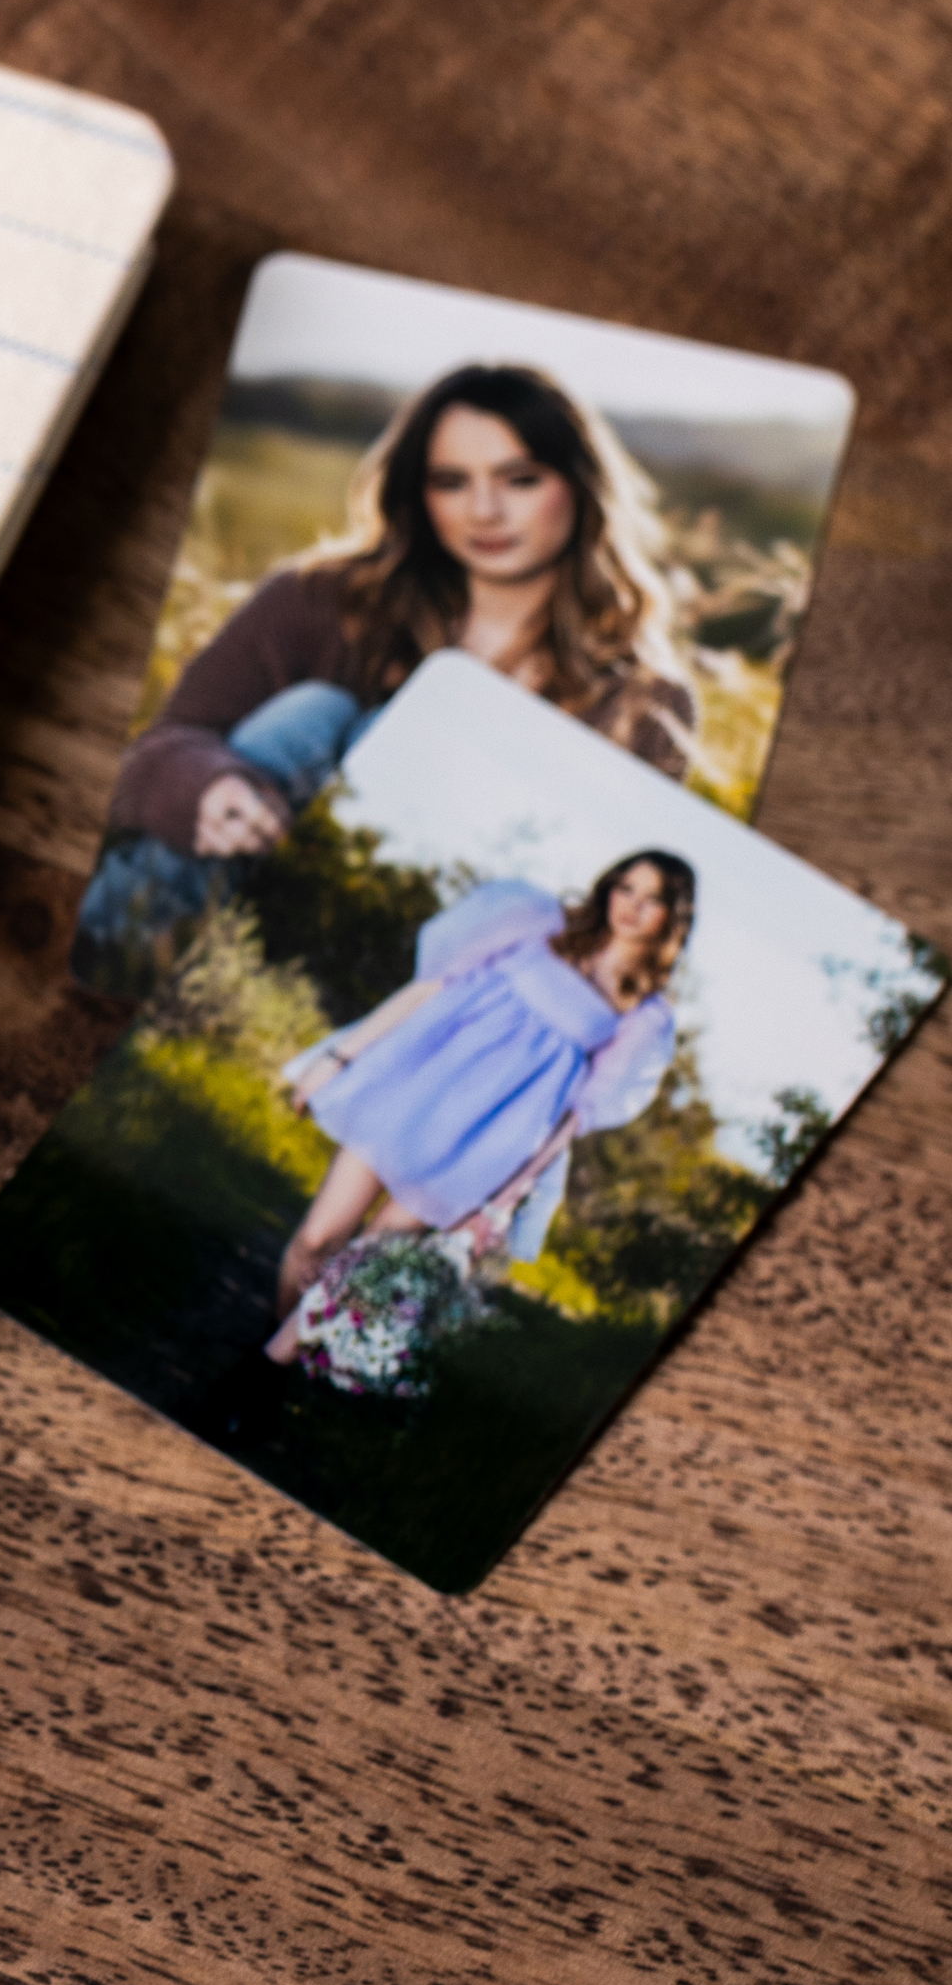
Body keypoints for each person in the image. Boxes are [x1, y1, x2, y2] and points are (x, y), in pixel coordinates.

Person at [74, 363, 697, 995]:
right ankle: (117, 965)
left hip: (411, 949)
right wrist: (208, 789)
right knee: (312, 713)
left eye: (521, 479)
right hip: (220, 884)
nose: (484, 511)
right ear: (419, 495)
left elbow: (611, 898)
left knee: (391, 732)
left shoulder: (645, 703)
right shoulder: (320, 598)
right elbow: (155, 750)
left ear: (579, 487)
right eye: (451, 482)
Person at [264, 851, 696, 1372]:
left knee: (360, 1271)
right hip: (410, 1094)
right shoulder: (538, 922)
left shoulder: (644, 1014)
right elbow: (430, 986)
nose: (631, 907)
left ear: (672, 917)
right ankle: (275, 1343)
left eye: (651, 900)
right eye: (626, 888)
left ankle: (263, 1378)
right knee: (316, 1241)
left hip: (479, 1143)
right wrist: (338, 1056)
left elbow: (572, 1121)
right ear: (609, 886)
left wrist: (503, 1200)